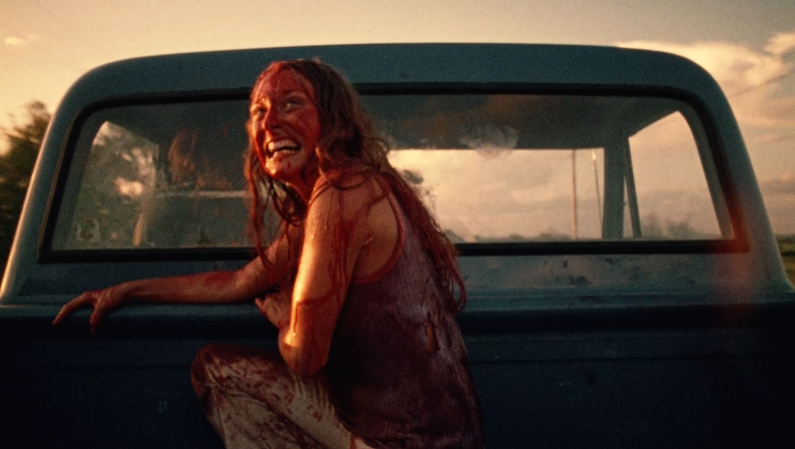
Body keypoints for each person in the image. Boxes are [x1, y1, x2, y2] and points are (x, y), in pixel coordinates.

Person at [53, 59, 484, 449]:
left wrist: (285, 320)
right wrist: (126, 291)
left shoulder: (341, 193)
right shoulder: (336, 196)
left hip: (404, 444)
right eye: (259, 111)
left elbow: (306, 356)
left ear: (334, 120)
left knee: (216, 370)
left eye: (292, 103)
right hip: (446, 438)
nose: (271, 122)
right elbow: (240, 282)